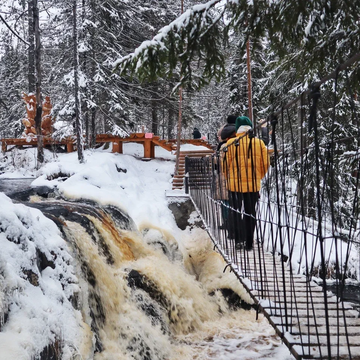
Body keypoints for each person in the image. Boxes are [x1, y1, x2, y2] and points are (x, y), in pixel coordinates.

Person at [224, 116, 270, 251]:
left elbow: (224, 165)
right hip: (253, 185)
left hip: (234, 185)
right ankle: (249, 242)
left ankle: (238, 240)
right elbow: (265, 163)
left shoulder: (230, 143)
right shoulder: (259, 143)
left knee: (236, 211)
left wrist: (229, 178)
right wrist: (257, 176)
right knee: (251, 213)